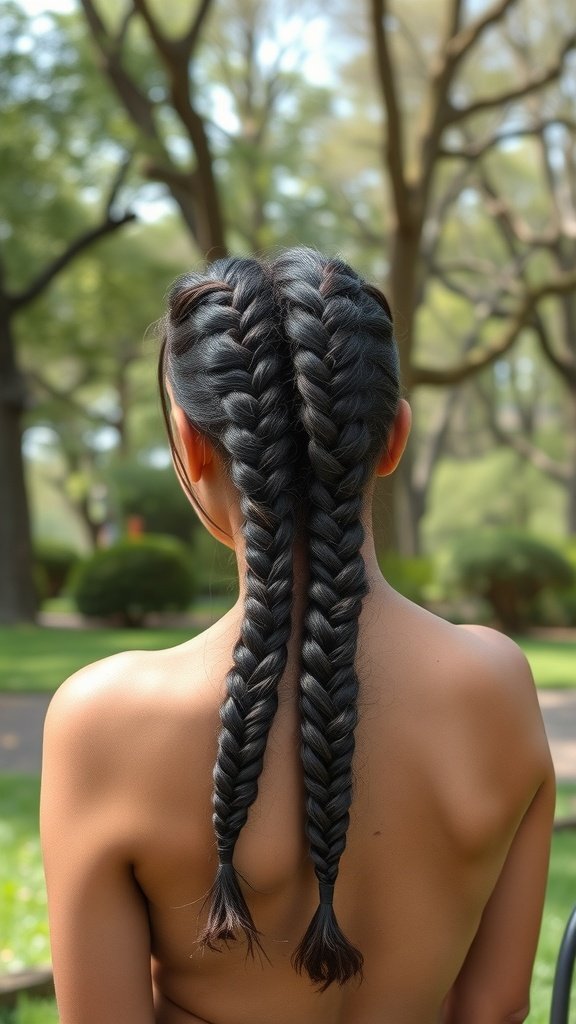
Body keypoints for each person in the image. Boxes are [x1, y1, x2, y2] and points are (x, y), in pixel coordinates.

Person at [40, 248, 555, 1024]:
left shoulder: (104, 721)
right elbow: (495, 1007)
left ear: (190, 442)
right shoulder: (497, 684)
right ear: (394, 439)